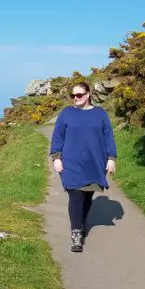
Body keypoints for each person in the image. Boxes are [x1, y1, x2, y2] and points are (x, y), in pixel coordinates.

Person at [50, 82, 117, 252]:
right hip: (71, 163)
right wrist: (56, 157)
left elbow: (108, 136)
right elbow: (57, 136)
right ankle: (77, 235)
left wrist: (111, 158)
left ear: (88, 95)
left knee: (87, 196)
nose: (75, 98)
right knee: (76, 196)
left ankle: (81, 220)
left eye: (79, 95)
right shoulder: (67, 113)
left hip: (94, 163)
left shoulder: (100, 114)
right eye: (73, 95)